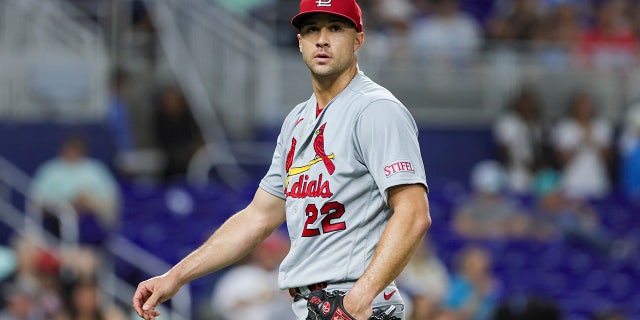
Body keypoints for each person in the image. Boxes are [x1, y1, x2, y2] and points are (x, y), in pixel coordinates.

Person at [132, 0, 431, 319]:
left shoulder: (376, 110)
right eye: (312, 29)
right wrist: (175, 277)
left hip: (358, 302)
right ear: (300, 42)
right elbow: (258, 217)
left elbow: (414, 214)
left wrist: (361, 296)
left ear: (358, 39)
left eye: (336, 28)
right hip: (313, 305)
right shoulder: (297, 121)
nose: (322, 39)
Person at [30, 133, 121, 245]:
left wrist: (89, 202)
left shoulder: (96, 169)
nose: (73, 153)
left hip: (92, 222)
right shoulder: (50, 170)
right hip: (56, 222)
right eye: (70, 148)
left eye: (76, 149)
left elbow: (112, 199)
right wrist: (68, 205)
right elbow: (37, 201)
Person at [550, 90, 614, 199]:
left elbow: (608, 160)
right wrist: (580, 143)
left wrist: (595, 142)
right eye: (581, 105)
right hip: (572, 185)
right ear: (574, 107)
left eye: (588, 105)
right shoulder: (564, 127)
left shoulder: (602, 126)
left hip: (598, 184)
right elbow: (562, 161)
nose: (585, 109)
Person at [452, 160, 532, 240]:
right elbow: (462, 228)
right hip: (478, 246)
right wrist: (494, 229)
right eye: (486, 193)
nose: (489, 197)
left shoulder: (509, 205)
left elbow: (520, 227)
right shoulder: (469, 207)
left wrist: (482, 229)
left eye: (493, 194)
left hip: (505, 247)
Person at [493, 87, 550, 193]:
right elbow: (505, 149)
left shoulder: (537, 124)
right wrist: (522, 164)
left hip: (535, 173)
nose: (528, 106)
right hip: (515, 171)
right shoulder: (508, 121)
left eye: (531, 102)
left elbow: (541, 149)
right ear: (517, 103)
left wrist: (537, 167)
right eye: (525, 102)